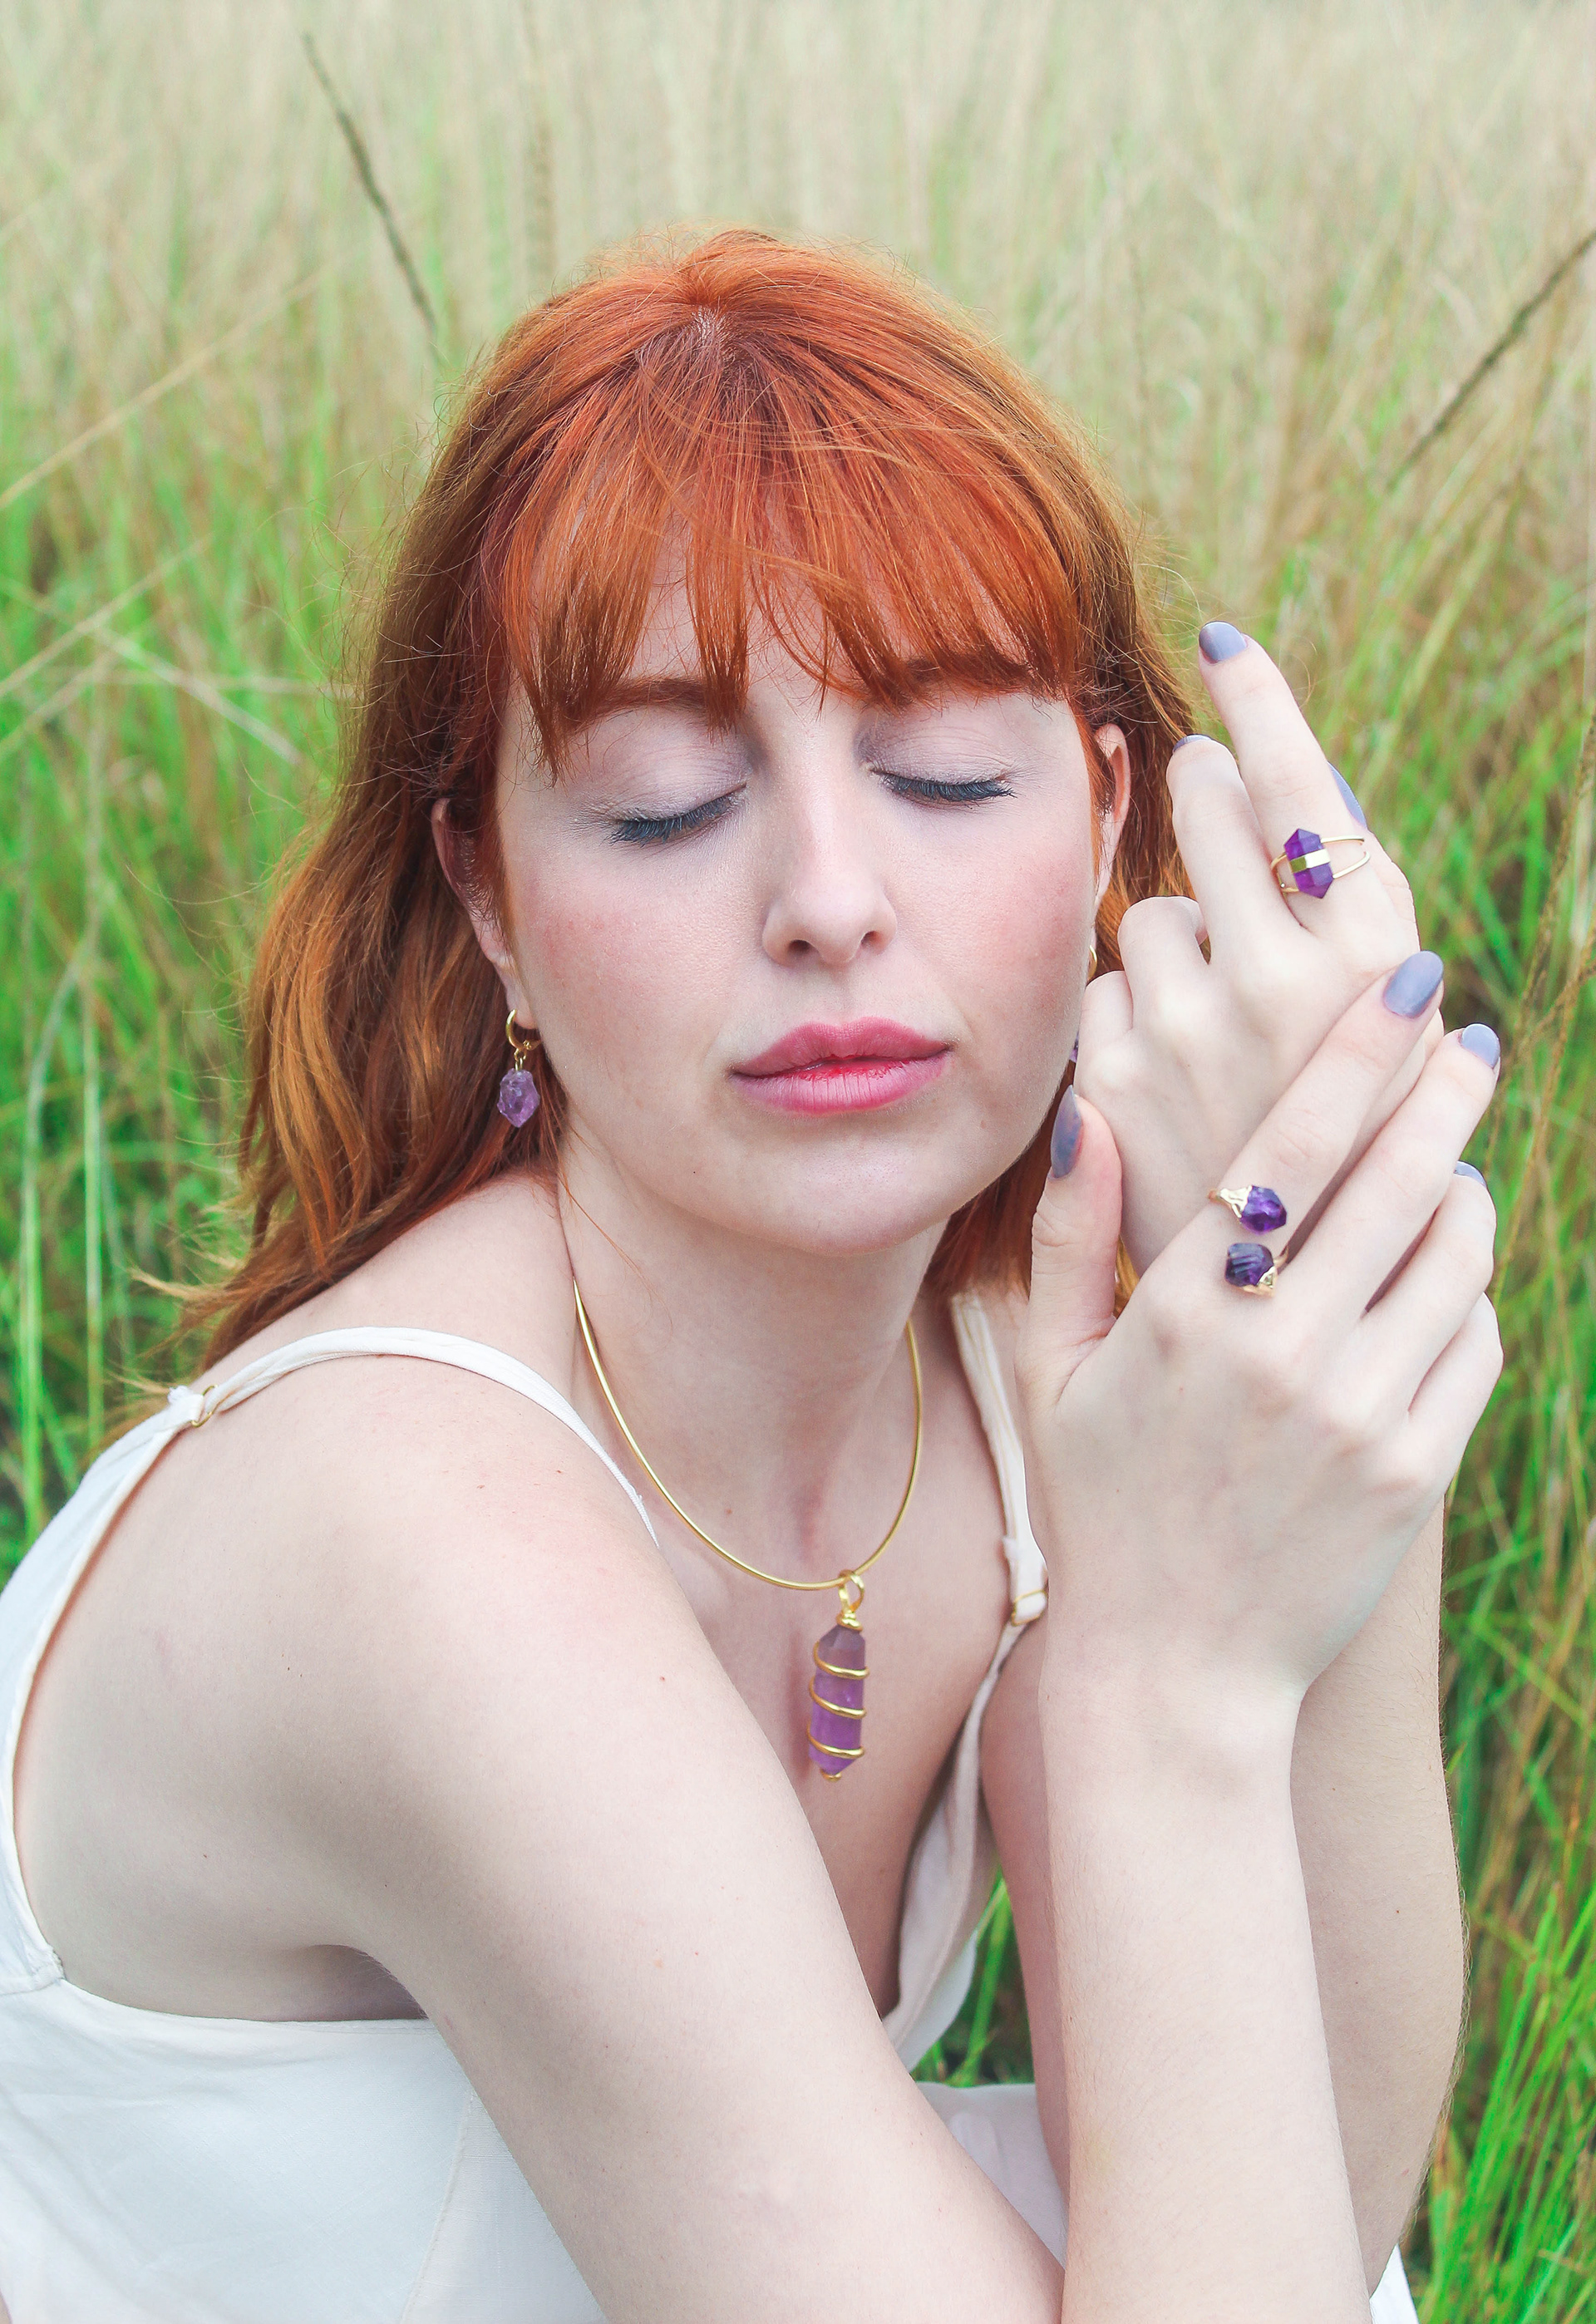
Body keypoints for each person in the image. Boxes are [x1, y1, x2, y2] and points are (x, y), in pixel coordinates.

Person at [0, 232, 1500, 2324]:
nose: (826, 900)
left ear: (1103, 811)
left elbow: (1313, 2225)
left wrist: (1329, 1285)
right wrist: (1170, 1675)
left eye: (943, 773)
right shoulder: (417, 1538)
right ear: (489, 896)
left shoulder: (1031, 1357)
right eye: (664, 805)